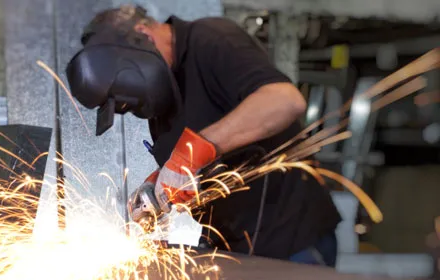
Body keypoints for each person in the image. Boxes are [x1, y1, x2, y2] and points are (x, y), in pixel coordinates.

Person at [65, 5, 341, 266]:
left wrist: (192, 151)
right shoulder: (163, 93)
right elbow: (193, 163)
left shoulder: (213, 39)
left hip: (290, 243)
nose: (131, 110)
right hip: (231, 244)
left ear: (144, 35)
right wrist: (159, 185)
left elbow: (284, 101)